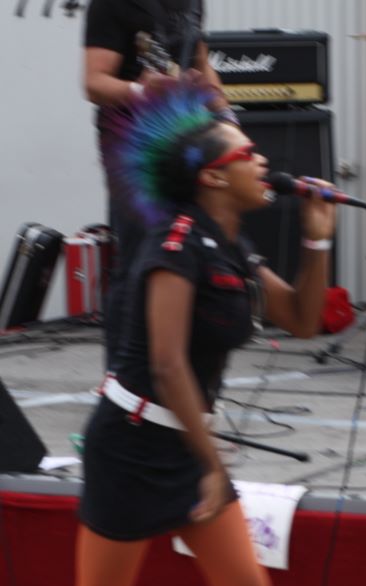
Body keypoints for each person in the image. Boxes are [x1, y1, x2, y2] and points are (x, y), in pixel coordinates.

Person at [8, 83, 336, 586]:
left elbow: (302, 318)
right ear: (214, 177)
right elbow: (165, 361)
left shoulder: (234, 249)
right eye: (249, 153)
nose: (265, 162)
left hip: (185, 447)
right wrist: (212, 463)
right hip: (132, 444)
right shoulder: (174, 246)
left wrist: (317, 239)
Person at [84, 0, 236, 366]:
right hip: (132, 141)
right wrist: (141, 91)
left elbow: (200, 64)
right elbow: (93, 82)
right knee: (138, 255)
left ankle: (180, 371)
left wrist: (227, 118)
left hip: (183, 133)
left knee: (189, 251)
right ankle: (122, 377)